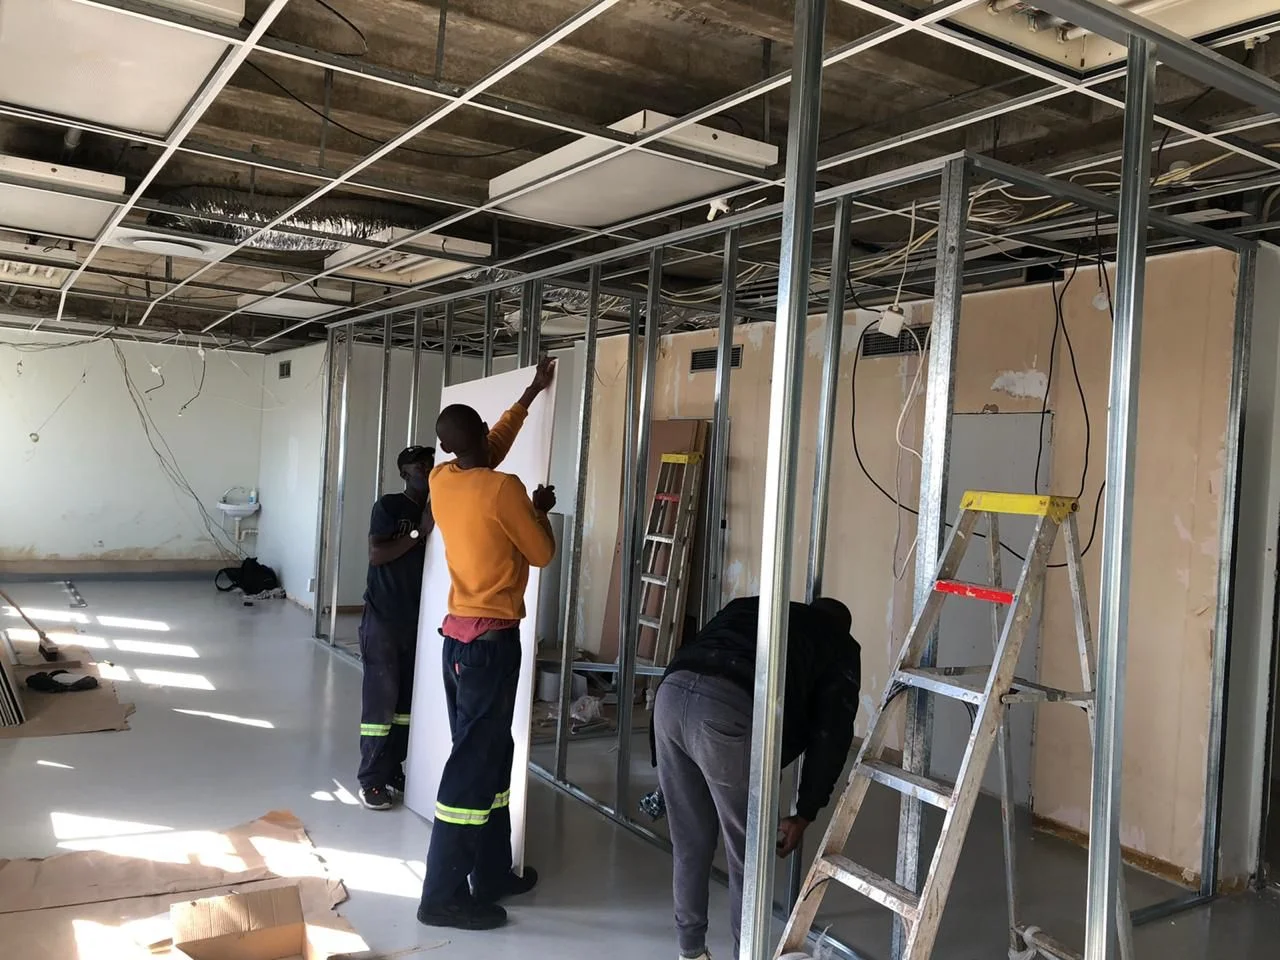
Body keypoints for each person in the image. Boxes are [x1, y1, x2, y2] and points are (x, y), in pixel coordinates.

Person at [416, 357, 558, 932]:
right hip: (492, 645)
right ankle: (441, 896)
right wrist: (540, 514)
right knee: (473, 767)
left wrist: (528, 394)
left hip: (458, 643)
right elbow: (542, 554)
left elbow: (490, 447)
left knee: (492, 755)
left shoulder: (441, 480)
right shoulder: (504, 490)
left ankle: (491, 872)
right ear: (474, 434)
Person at [651, 596, 861, 960]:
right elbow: (831, 734)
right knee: (749, 853)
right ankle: (745, 955)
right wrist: (806, 812)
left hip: (670, 696)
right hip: (727, 710)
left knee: (689, 841)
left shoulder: (754, 607)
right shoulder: (837, 642)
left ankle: (691, 951)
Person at [356, 444, 435, 811]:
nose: (427, 470)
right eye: (419, 467)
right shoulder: (389, 507)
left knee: (406, 705)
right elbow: (377, 554)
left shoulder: (440, 507)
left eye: (430, 464)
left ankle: (392, 768)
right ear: (404, 474)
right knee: (381, 702)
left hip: (418, 620)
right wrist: (419, 532)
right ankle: (370, 779)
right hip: (384, 618)